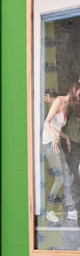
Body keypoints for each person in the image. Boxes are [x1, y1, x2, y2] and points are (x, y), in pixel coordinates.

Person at [45, 79, 79, 226]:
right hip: (49, 142)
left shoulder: (66, 106)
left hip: (56, 141)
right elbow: (47, 123)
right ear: (73, 92)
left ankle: (71, 210)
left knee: (66, 174)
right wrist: (53, 136)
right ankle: (49, 210)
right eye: (79, 95)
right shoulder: (59, 101)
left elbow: (57, 127)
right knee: (60, 177)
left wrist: (66, 138)